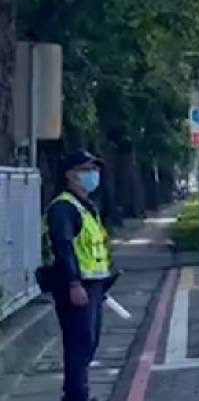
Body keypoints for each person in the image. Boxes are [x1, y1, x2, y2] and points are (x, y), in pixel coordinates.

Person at [42, 150, 113, 401]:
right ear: (71, 175)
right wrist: (73, 283)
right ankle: (76, 397)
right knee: (78, 346)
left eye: (94, 169)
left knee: (87, 345)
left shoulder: (86, 206)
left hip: (92, 285)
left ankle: (78, 394)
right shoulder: (63, 207)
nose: (93, 174)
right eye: (86, 170)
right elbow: (63, 247)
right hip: (75, 286)